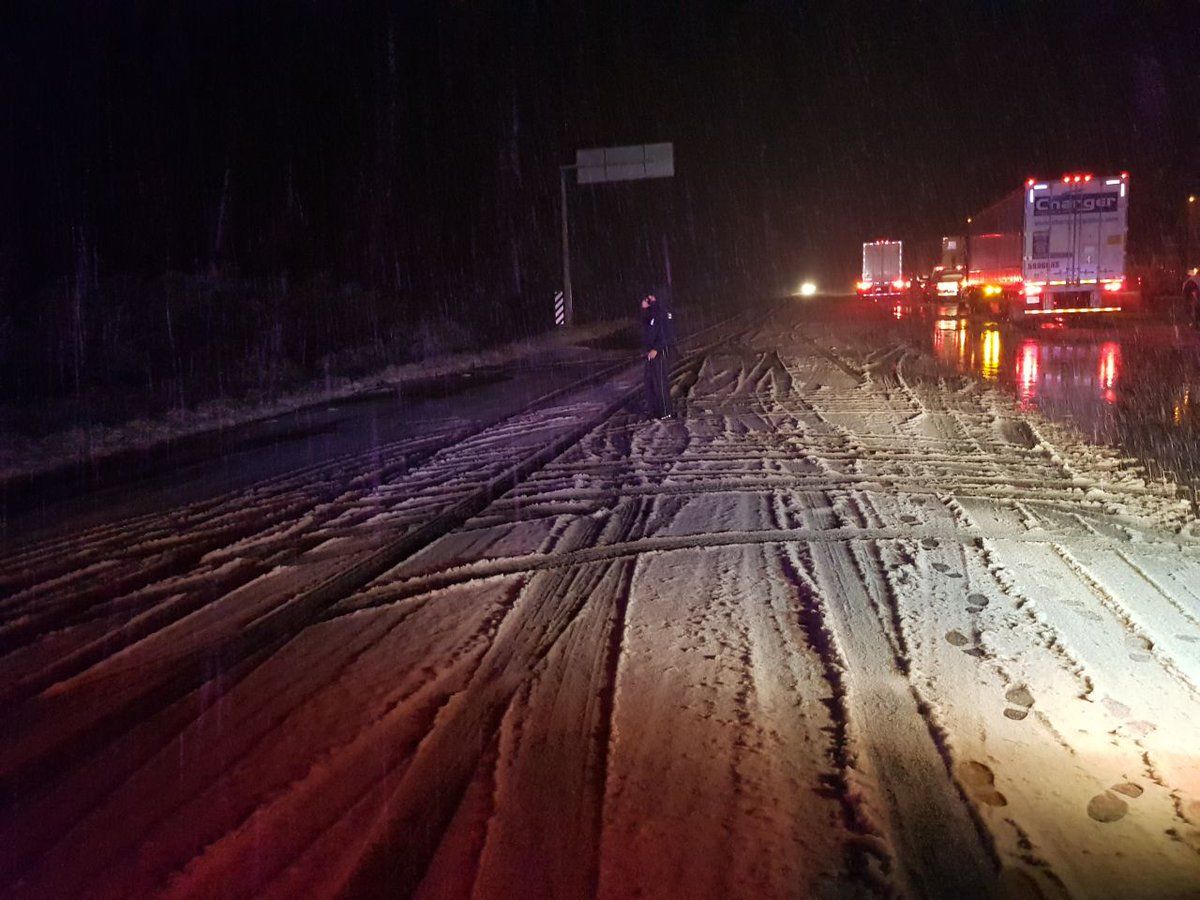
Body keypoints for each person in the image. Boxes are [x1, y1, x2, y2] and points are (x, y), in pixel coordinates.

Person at [640, 288, 676, 418]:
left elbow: (668, 334)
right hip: (650, 353)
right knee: (650, 382)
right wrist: (644, 309)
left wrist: (657, 348)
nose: (648, 300)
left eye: (651, 297)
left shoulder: (663, 312)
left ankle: (666, 411)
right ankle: (655, 410)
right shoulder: (652, 313)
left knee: (660, 382)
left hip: (660, 353)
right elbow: (645, 328)